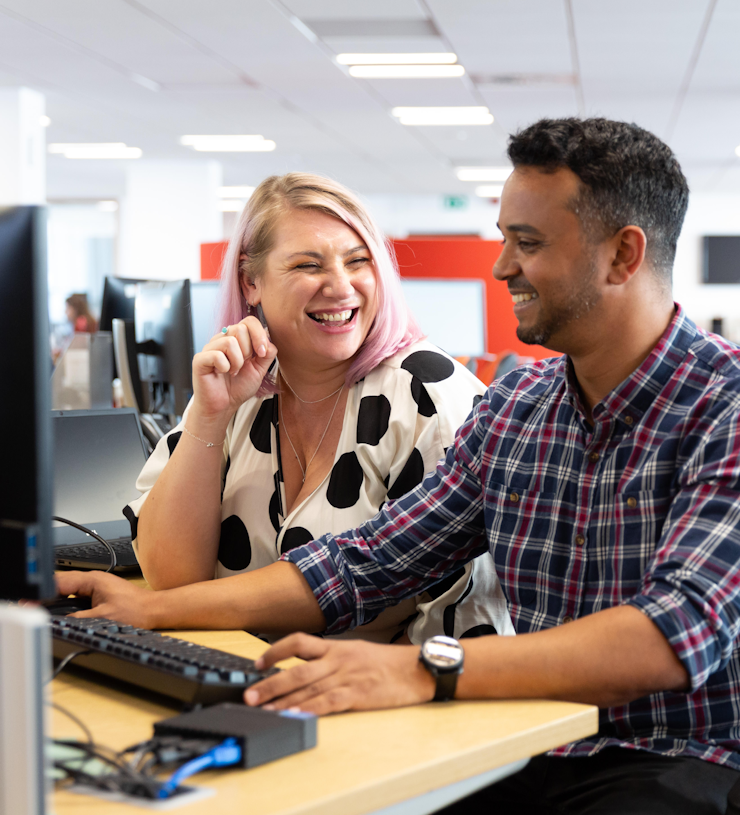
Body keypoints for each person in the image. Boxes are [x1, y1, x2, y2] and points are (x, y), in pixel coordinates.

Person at [59, 119, 740, 813]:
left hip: (677, 756)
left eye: (526, 244)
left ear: (624, 256)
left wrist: (421, 670)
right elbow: (369, 562)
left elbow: (673, 630)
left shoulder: (725, 409)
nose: (501, 267)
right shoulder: (519, 407)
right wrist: (149, 610)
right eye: (505, 238)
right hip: (529, 737)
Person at [122, 172, 511, 644]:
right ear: (251, 281)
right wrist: (210, 415)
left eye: (358, 261)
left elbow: (465, 627)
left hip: (382, 701)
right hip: (243, 679)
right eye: (309, 265)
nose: (341, 286)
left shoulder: (427, 396)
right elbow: (172, 583)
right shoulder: (241, 390)